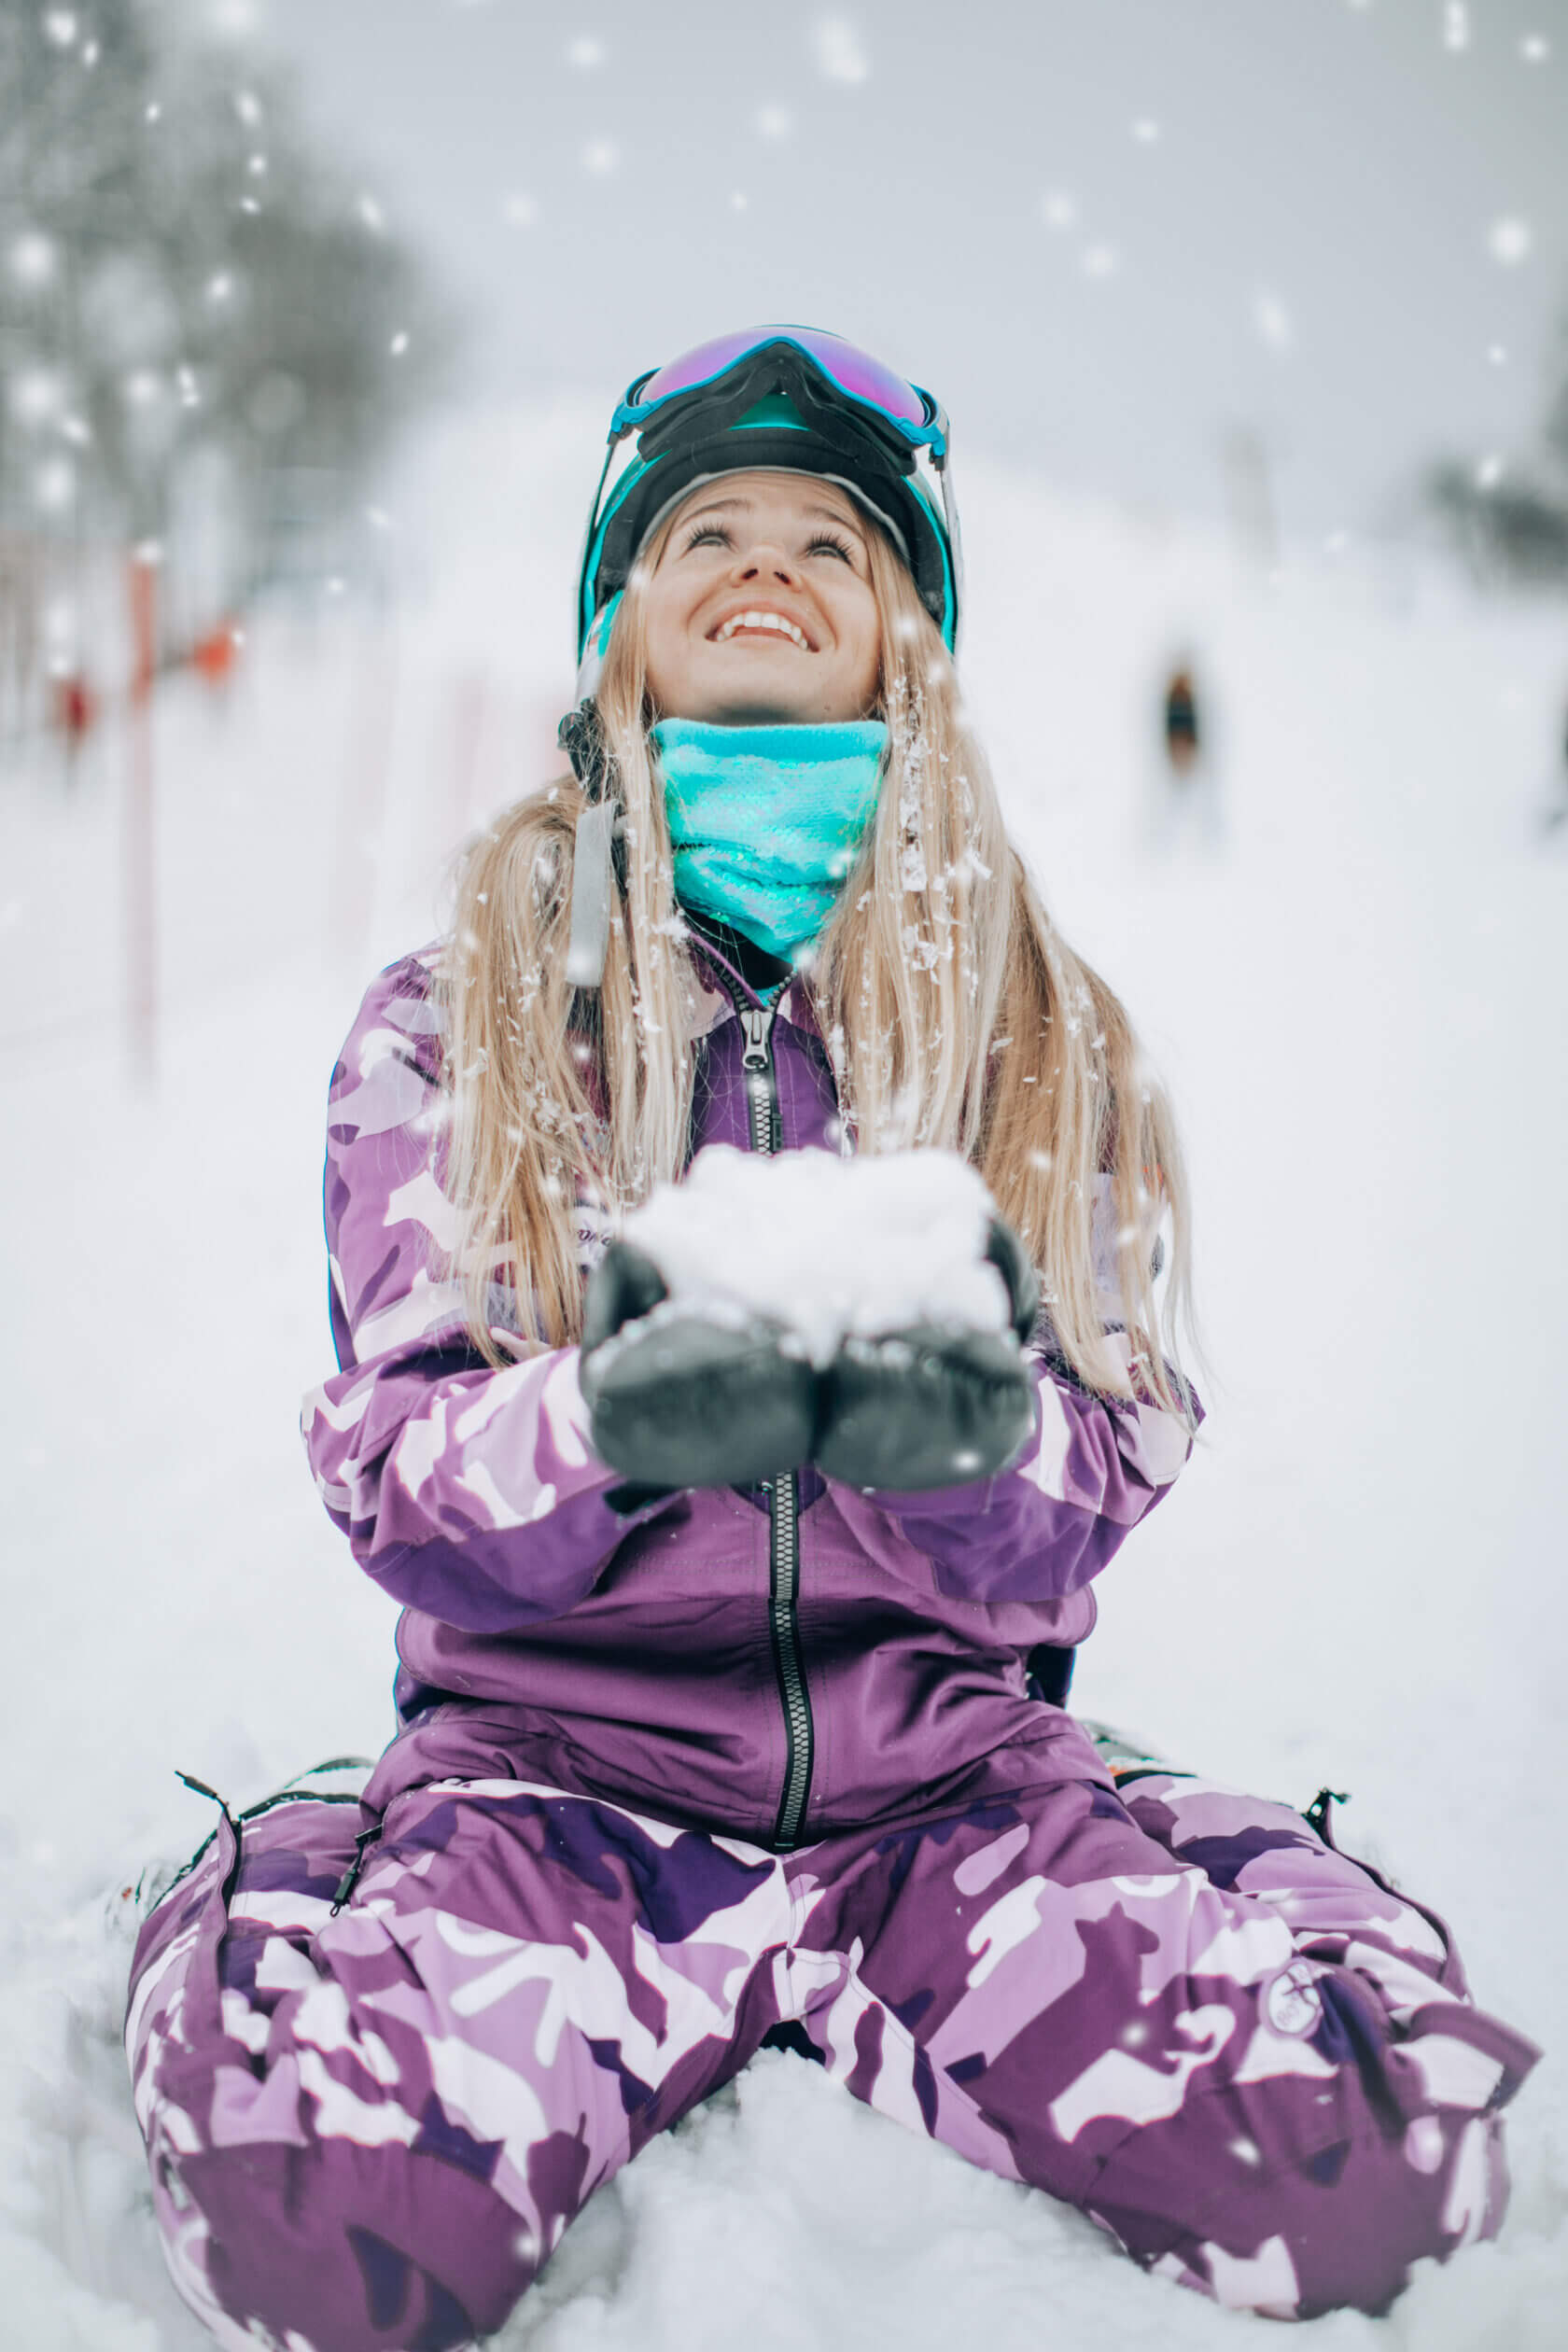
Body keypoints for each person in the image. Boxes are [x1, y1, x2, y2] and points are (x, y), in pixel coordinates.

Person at [125, 328, 1537, 2348]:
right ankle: (277, 1881)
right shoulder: (464, 1023)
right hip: (562, 1795)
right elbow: (402, 1480)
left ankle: (1162, 1831)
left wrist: (974, 1463)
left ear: (907, 636)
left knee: (1369, 2172)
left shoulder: (1041, 1028)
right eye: (705, 526)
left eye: (829, 539)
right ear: (622, 617)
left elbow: (1116, 1458)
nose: (764, 561)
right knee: (315, 2240)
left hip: (949, 1799)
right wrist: (609, 1421)